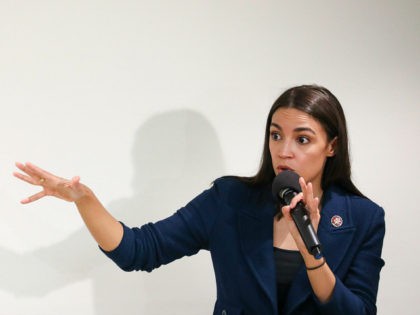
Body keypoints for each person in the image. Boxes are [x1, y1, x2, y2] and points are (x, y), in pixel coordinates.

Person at [14, 84, 385, 315]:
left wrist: (312, 253)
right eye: (275, 135)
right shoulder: (229, 200)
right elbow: (139, 251)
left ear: (332, 146)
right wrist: (85, 200)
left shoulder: (364, 218)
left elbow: (359, 312)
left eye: (302, 139)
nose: (284, 151)